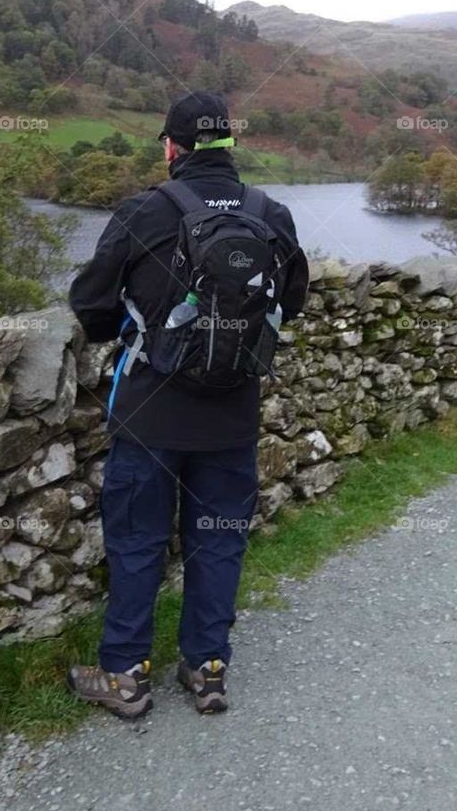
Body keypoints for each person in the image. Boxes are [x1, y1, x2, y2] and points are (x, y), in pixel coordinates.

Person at [67, 91, 308, 717]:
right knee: (220, 537)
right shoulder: (271, 213)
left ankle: (125, 675)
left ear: (172, 147)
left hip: (150, 413)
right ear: (229, 144)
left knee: (138, 538)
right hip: (233, 412)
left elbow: (90, 307)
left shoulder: (143, 211)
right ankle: (206, 668)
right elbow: (294, 302)